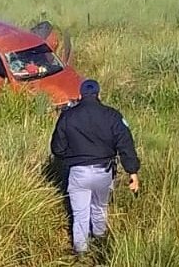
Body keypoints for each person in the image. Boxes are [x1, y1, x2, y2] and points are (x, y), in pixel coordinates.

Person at [50, 79, 140, 256]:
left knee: (80, 215)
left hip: (78, 173)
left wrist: (71, 157)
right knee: (99, 208)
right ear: (99, 94)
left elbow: (57, 149)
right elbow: (125, 145)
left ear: (80, 95)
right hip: (103, 172)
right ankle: (100, 242)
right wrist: (132, 172)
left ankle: (81, 253)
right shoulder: (112, 116)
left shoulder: (67, 116)